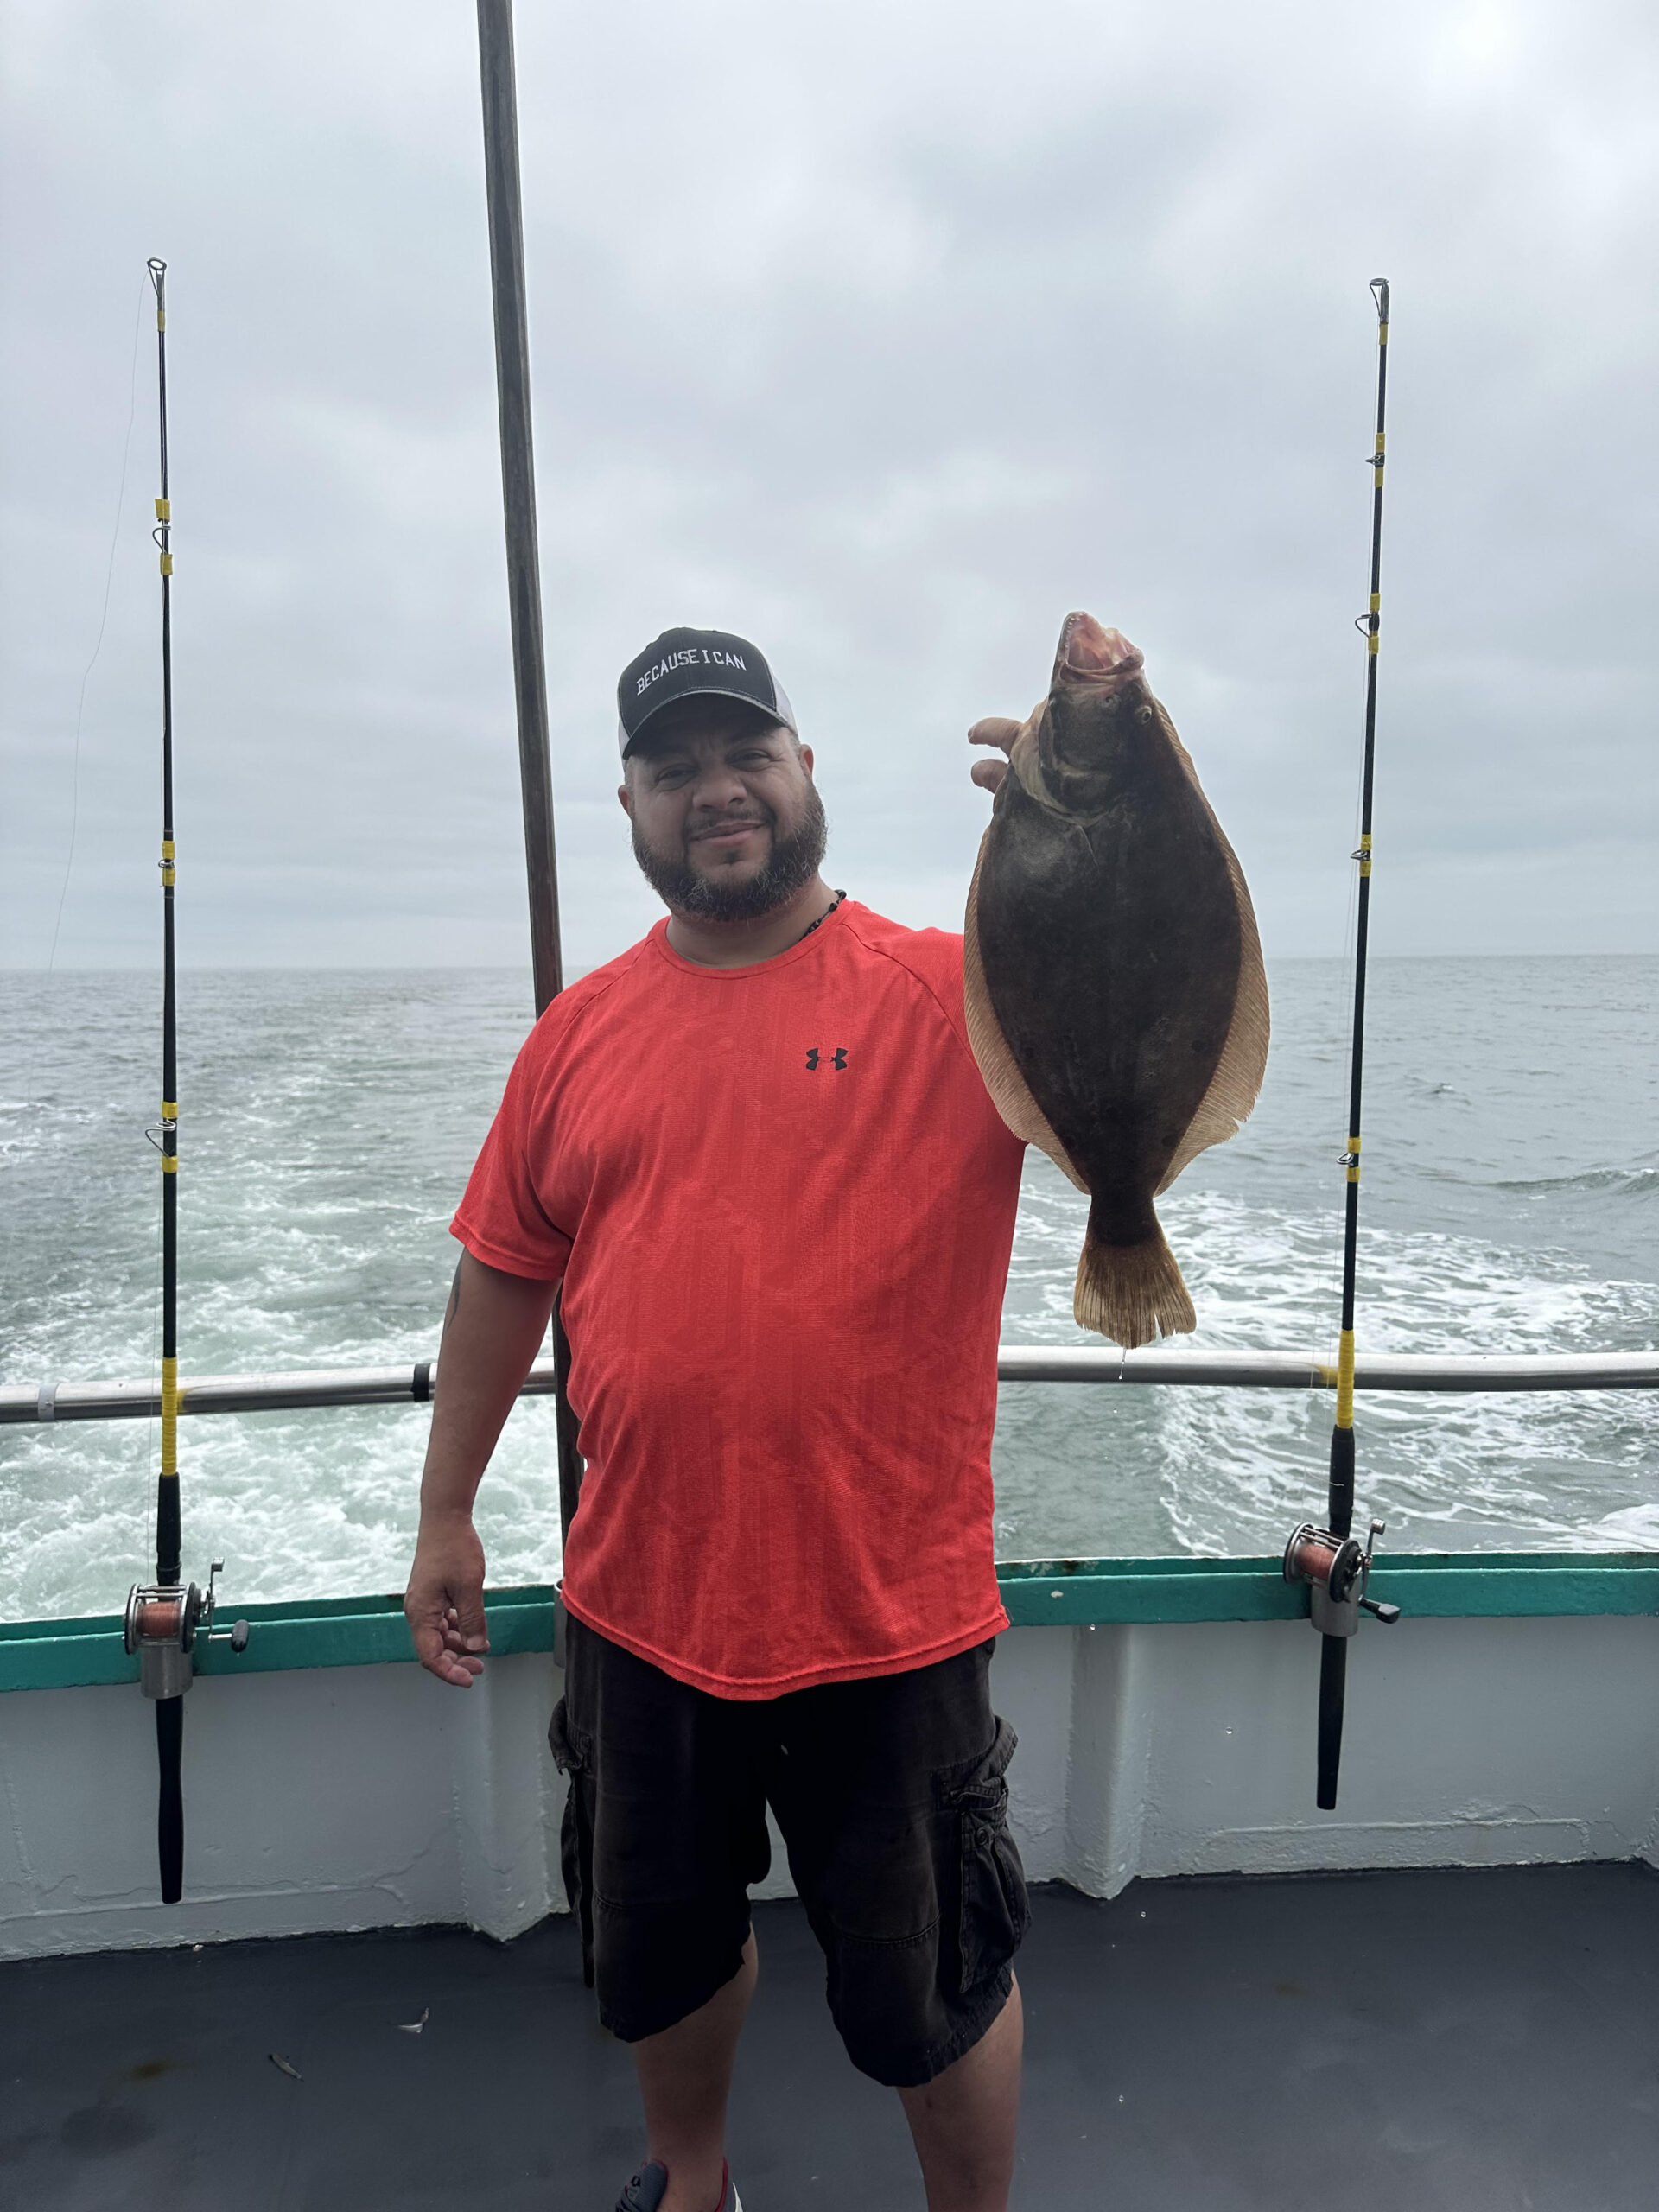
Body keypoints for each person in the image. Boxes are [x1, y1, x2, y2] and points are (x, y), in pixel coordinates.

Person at [404, 626, 1030, 2212]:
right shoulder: (576, 1033)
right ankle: (695, 2184)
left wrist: (1100, 814)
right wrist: (446, 1509)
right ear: (629, 803)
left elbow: (1139, 1048)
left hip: (892, 1618)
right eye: (674, 767)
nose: (717, 790)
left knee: (938, 1983)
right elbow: (503, 1271)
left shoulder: (960, 997)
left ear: (805, 767)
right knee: (664, 1955)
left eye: (745, 753)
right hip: (644, 1606)